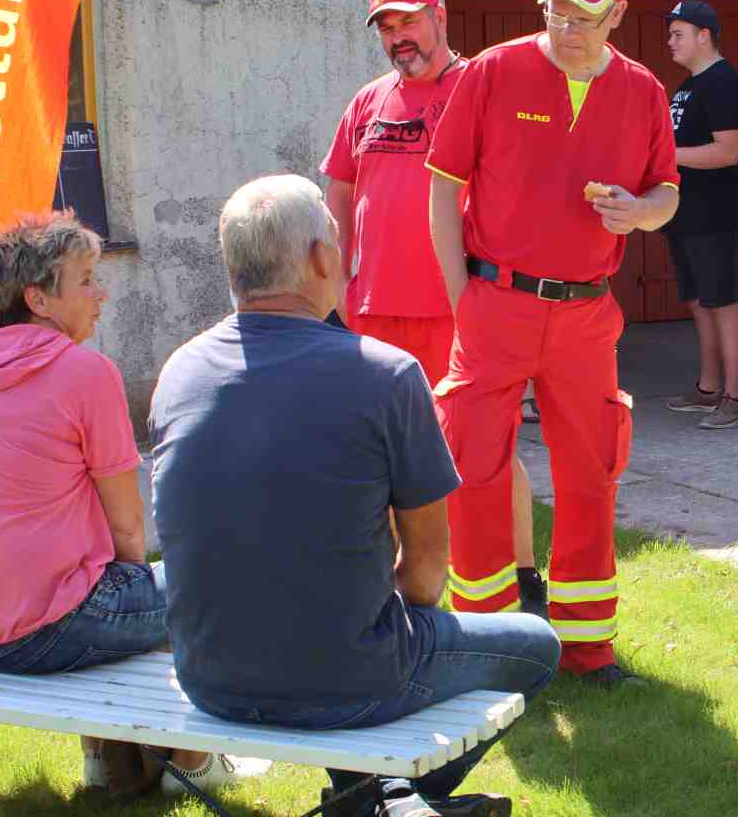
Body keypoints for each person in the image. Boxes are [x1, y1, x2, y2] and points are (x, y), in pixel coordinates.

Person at [150, 175, 559, 817]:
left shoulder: (180, 372)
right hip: (345, 679)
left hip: (207, 677)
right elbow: (426, 572)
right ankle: (388, 800)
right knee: (537, 645)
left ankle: (381, 798)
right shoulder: (387, 374)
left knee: (339, 625)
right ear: (319, 259)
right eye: (338, 241)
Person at [0, 211, 245, 795]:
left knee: (115, 591)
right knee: (218, 583)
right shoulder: (83, 372)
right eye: (86, 279)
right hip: (35, 631)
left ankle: (109, 763)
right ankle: (192, 764)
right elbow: (128, 526)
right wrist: (144, 594)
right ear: (38, 299)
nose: (102, 293)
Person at [427, 0, 680, 687]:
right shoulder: (494, 71)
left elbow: (667, 192)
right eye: (556, 12)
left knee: (591, 474)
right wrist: (459, 300)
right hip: (494, 304)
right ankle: (485, 644)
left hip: (585, 316)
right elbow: (442, 189)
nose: (567, 29)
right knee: (473, 470)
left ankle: (586, 650)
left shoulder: (642, 93)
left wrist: (640, 213)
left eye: (585, 17)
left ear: (618, 16)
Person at [321, 0, 546, 616]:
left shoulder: (483, 86)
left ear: (439, 16)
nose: (399, 37)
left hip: (459, 308)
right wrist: (338, 282)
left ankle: (526, 592)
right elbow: (340, 187)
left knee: (485, 454)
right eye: (387, 28)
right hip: (372, 315)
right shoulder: (367, 102)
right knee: (382, 459)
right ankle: (402, 597)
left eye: (408, 21)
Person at [661, 0, 738, 429]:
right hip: (683, 210)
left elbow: (728, 152)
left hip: (714, 211)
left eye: (678, 33)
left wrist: (663, 155)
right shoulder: (688, 86)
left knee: (722, 300)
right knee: (698, 300)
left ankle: (736, 398)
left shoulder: (723, 83)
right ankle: (708, 388)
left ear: (704, 35)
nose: (670, 42)